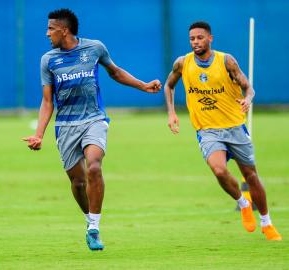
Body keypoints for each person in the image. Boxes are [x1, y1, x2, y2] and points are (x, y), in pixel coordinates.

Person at [23, 8, 162, 250]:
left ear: (64, 30)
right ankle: (89, 219)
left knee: (94, 167)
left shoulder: (94, 48)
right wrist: (38, 134)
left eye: (50, 29)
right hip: (65, 126)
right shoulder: (48, 60)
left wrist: (143, 86)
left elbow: (115, 72)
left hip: (94, 119)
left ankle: (94, 228)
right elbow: (47, 102)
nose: (47, 34)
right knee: (78, 183)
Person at [164, 21, 281, 240]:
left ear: (210, 38)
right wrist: (171, 113)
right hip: (208, 130)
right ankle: (243, 203)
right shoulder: (182, 63)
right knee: (218, 169)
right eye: (192, 38)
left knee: (251, 176)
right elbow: (169, 85)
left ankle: (267, 222)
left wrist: (247, 99)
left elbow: (248, 87)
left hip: (235, 127)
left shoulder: (226, 61)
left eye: (200, 37)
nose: (195, 42)